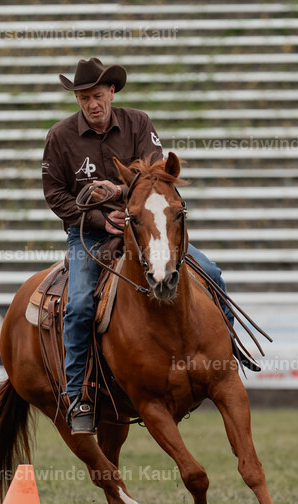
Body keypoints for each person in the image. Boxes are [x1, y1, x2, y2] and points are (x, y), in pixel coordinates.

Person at [41, 58, 256, 435]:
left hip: (145, 228)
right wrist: (97, 219)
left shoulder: (139, 122)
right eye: (85, 97)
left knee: (213, 272)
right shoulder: (59, 137)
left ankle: (228, 352)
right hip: (88, 233)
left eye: (98, 95)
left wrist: (121, 193)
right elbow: (54, 194)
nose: (93, 103)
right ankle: (79, 395)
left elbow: (158, 177)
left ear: (111, 92)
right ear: (77, 99)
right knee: (77, 306)